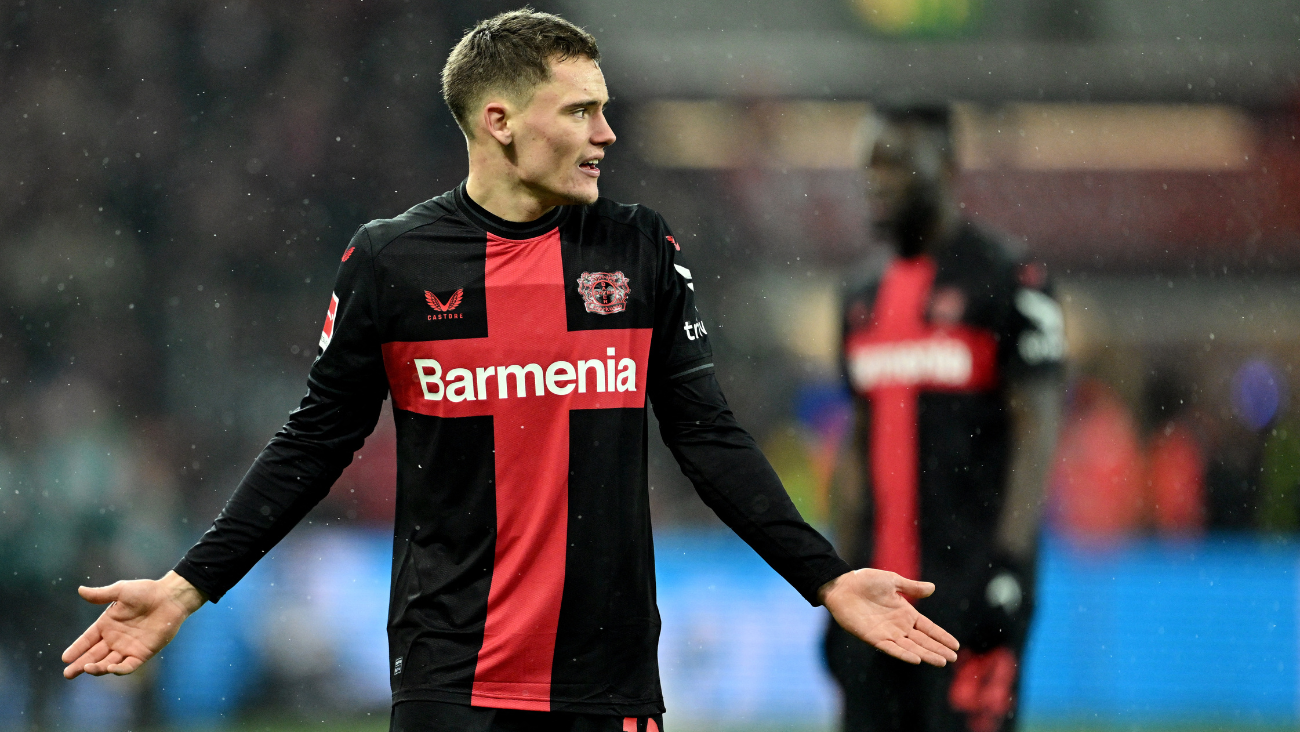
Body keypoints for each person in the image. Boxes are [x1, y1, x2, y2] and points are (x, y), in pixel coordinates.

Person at [60, 11, 959, 732]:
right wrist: (188, 586)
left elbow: (707, 435)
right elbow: (315, 441)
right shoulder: (392, 262)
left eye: (604, 109)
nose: (607, 133)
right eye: (579, 112)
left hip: (605, 674)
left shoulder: (637, 246)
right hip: (450, 675)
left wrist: (827, 577)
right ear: (499, 122)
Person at [825, 106, 1065, 732]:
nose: (878, 179)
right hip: (878, 594)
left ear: (950, 169)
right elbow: (855, 443)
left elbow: (1037, 426)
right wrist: (832, 578)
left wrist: (1010, 567)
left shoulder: (1011, 278)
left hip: (972, 586)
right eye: (870, 164)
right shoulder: (857, 295)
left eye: (898, 163)